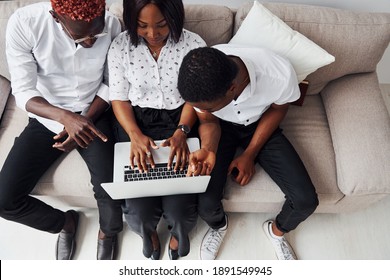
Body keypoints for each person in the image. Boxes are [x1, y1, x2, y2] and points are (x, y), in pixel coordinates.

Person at [1, 0, 123, 260]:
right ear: (56, 17)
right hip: (48, 115)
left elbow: (112, 83)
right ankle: (65, 223)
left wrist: (83, 122)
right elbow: (23, 91)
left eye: (96, 34)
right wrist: (65, 119)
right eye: (80, 37)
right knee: (4, 200)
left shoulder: (112, 24)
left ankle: (107, 233)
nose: (91, 42)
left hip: (95, 112)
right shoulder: (24, 24)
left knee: (112, 195)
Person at [178, 45, 319, 260]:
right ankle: (219, 226)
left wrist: (250, 154)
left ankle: (276, 232)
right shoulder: (200, 77)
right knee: (205, 206)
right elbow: (208, 120)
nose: (200, 110)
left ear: (232, 88)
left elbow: (279, 109)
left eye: (207, 106)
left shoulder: (278, 74)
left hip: (259, 124)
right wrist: (208, 148)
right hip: (221, 128)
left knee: (305, 200)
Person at [107, 0, 206, 260]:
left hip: (180, 120)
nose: (153, 34)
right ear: (131, 21)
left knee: (181, 209)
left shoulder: (193, 44)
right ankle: (148, 233)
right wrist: (134, 135)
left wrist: (182, 131)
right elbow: (118, 98)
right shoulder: (120, 46)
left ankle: (178, 235)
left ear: (174, 17)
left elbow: (195, 99)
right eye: (142, 26)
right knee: (137, 209)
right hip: (136, 122)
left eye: (161, 25)